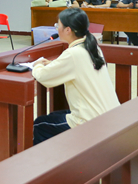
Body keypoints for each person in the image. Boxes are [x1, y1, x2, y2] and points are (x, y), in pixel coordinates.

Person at [32, 8, 120, 145]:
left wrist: (37, 65)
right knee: (54, 116)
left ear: (68, 30)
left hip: (91, 123)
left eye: (57, 25)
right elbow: (77, 66)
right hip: (111, 116)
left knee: (40, 125)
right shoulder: (93, 47)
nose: (56, 29)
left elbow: (43, 77)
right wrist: (55, 64)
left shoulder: (73, 54)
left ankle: (53, 158)